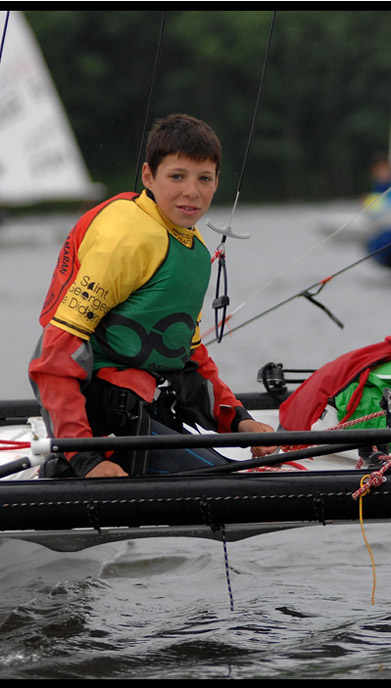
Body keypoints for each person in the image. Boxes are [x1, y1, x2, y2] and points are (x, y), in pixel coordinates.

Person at [29, 114, 277, 478]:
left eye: (204, 179)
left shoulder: (193, 250)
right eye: (177, 176)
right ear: (148, 176)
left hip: (145, 409)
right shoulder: (126, 236)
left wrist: (238, 421)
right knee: (229, 482)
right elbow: (55, 354)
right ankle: (61, 469)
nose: (191, 191)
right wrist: (83, 458)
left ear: (216, 182)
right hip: (101, 423)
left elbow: (186, 357)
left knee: (250, 471)